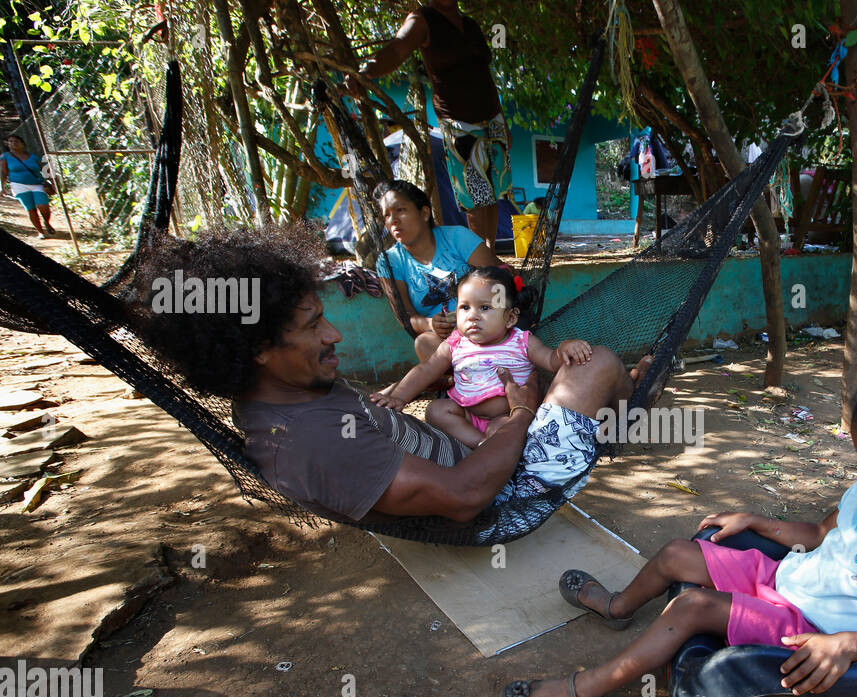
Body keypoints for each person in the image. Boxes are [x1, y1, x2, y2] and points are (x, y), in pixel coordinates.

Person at [500, 361, 857, 697]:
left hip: (808, 626)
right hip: (784, 578)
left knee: (691, 609)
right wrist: (756, 520)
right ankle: (620, 608)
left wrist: (849, 643)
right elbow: (819, 534)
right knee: (674, 554)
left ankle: (583, 695)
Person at [130, 227, 652, 535]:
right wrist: (520, 412)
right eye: (313, 324)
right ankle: (627, 409)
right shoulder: (311, 440)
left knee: (575, 377)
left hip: (467, 449)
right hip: (505, 493)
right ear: (259, 350)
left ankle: (621, 407)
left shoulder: (277, 396)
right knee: (599, 363)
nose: (333, 333)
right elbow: (467, 497)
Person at [349, 1, 512, 246]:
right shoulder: (423, 20)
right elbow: (397, 48)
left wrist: (502, 120)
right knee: (475, 197)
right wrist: (366, 71)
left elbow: (484, 74)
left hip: (492, 119)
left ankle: (490, 255)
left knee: (492, 195)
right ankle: (480, 264)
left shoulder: (470, 25)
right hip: (460, 122)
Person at [372, 266, 592, 447]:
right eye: (465, 307)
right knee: (436, 410)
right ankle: (481, 444)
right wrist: (399, 396)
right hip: (467, 416)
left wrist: (564, 348)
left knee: (504, 429)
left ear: (510, 317)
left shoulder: (521, 341)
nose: (472, 316)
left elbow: (550, 360)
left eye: (485, 308)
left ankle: (489, 448)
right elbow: (426, 369)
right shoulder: (455, 343)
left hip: (508, 417)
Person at [372, 179, 503, 363]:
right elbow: (405, 315)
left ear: (424, 213)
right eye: (386, 215)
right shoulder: (390, 262)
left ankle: (462, 377)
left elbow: (500, 277)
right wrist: (431, 324)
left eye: (400, 210)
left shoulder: (457, 237)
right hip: (447, 342)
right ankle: (462, 377)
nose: (393, 220)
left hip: (485, 325)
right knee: (423, 343)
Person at [1, 133, 56, 238]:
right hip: (18, 185)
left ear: (22, 144)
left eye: (16, 141)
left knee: (43, 206)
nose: (13, 143)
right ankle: (41, 232)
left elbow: (44, 169)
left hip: (37, 184)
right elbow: (3, 172)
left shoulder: (32, 156)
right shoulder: (5, 157)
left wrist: (51, 181)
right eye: (10, 142)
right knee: (31, 209)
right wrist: (2, 187)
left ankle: (46, 222)